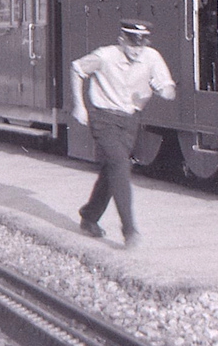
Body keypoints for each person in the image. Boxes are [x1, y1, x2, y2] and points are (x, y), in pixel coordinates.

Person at [70, 18, 176, 249]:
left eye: (141, 44)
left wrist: (164, 92)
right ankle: (130, 231)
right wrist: (79, 106)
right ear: (122, 40)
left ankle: (89, 216)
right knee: (119, 164)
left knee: (112, 170)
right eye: (132, 44)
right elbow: (77, 69)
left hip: (130, 120)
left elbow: (168, 87)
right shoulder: (105, 56)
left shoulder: (152, 57)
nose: (137, 50)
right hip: (103, 118)